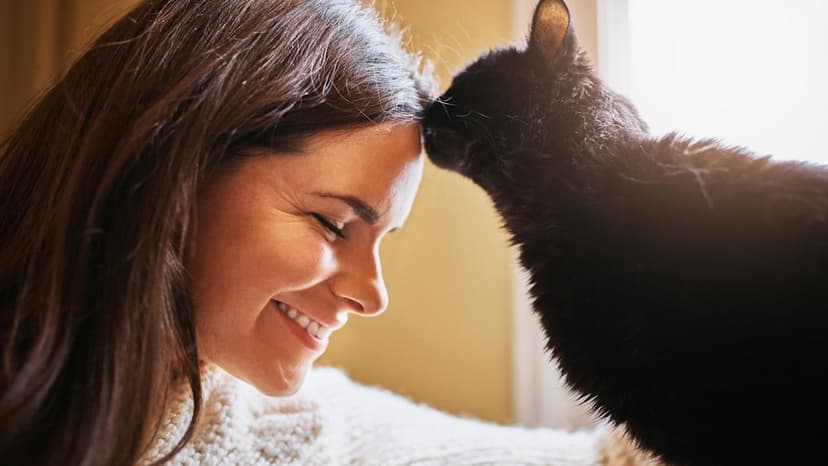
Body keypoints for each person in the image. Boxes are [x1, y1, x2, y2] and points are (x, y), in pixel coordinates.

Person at [0, 0, 655, 464]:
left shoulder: (306, 430)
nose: (373, 297)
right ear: (175, 169)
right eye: (333, 223)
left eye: (382, 239)